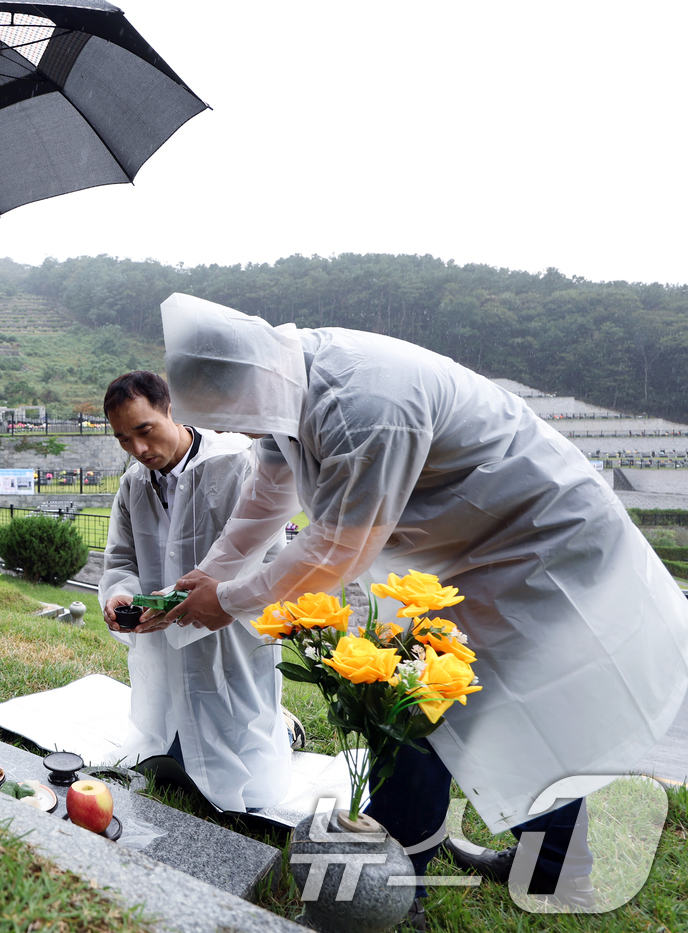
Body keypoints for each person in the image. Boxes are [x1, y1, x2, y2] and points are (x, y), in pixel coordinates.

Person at [146, 293, 688, 925]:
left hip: (540, 544)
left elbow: (339, 547)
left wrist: (231, 600)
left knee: (419, 701)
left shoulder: (366, 404)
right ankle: (551, 866)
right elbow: (270, 492)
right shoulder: (284, 384)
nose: (240, 433)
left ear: (255, 387)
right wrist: (209, 574)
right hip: (471, 546)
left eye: (238, 419)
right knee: (469, 705)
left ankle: (405, 889)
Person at [98, 371, 292, 813]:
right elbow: (121, 560)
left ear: (171, 409)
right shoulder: (133, 483)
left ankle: (274, 746)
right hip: (162, 645)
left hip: (231, 635)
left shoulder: (238, 464)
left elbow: (269, 558)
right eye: (123, 439)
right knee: (168, 736)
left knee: (238, 737)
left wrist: (225, 597)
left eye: (144, 430)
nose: (138, 450)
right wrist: (120, 594)